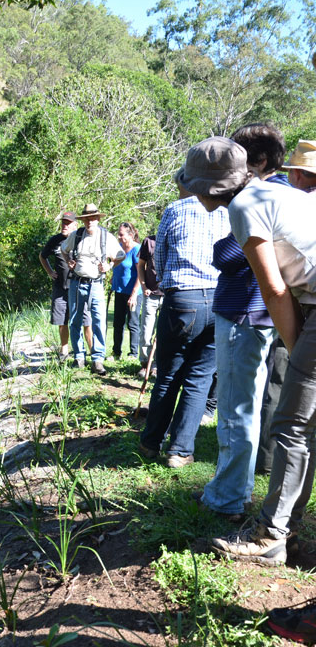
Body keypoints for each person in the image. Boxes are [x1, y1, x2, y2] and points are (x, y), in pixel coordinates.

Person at [177, 134, 316, 647]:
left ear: (208, 189)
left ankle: (270, 534)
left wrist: (299, 346)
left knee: (291, 422)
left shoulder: (242, 208)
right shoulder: (278, 193)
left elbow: (274, 287)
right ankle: (287, 525)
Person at [196, 124, 287, 520]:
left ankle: (228, 498)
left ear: (260, 161)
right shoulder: (284, 193)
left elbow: (230, 255)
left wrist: (222, 247)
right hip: (262, 313)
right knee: (249, 405)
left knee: (236, 408)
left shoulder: (253, 200)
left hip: (244, 313)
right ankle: (234, 488)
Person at [139, 180, 229, 467]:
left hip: (182, 297)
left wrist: (170, 286)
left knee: (168, 374)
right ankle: (179, 452)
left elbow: (159, 257)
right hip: (218, 298)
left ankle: (151, 443)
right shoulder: (227, 210)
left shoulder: (175, 209)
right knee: (199, 378)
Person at [61, 202, 125, 376]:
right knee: (75, 320)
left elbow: (120, 255)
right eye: (87, 219)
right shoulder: (76, 235)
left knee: (98, 320)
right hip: (76, 282)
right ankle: (79, 357)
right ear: (83, 220)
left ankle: (97, 359)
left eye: (93, 218)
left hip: (96, 284)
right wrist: (69, 261)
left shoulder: (106, 237)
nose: (90, 222)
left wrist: (110, 265)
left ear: (97, 219)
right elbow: (63, 249)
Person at [39, 211, 92, 362]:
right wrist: (50, 272)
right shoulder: (55, 240)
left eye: (68, 223)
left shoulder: (81, 238)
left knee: (85, 320)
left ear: (75, 225)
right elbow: (42, 256)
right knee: (61, 320)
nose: (65, 225)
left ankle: (92, 351)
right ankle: (64, 351)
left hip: (79, 286)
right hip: (60, 287)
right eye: (63, 222)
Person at [110, 222, 141, 360]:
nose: (119, 237)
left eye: (121, 234)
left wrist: (134, 294)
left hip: (133, 293)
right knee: (118, 322)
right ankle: (116, 352)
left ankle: (133, 353)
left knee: (133, 323)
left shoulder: (136, 249)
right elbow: (117, 266)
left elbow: (141, 274)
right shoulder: (119, 248)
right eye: (118, 234)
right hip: (119, 290)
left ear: (130, 235)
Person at [136, 233, 162, 377]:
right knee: (146, 332)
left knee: (162, 334)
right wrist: (143, 286)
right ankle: (145, 364)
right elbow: (140, 266)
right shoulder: (149, 241)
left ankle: (157, 365)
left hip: (168, 294)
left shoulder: (174, 239)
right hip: (150, 294)